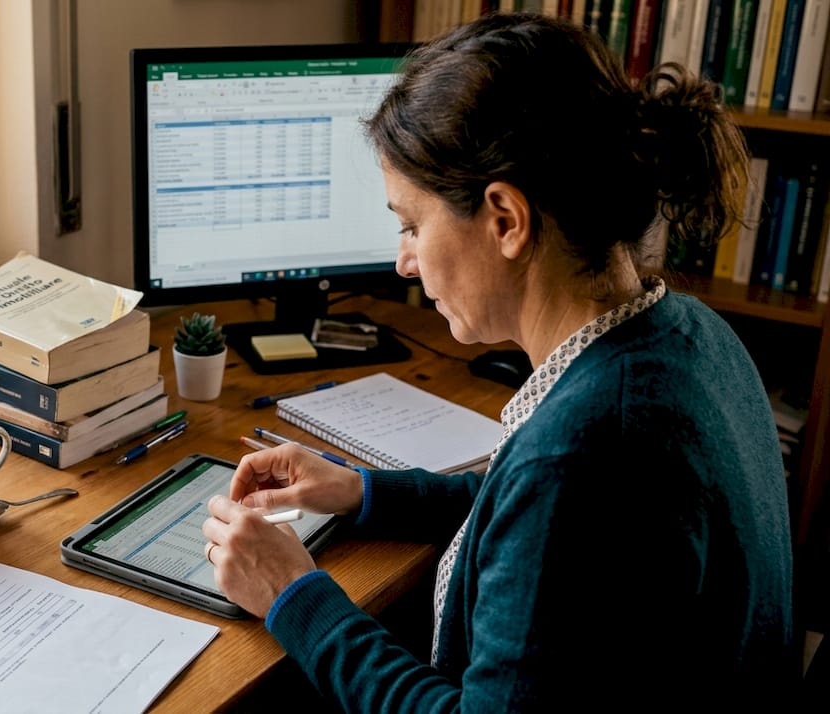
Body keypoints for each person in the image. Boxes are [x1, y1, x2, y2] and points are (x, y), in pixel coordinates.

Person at [202, 12, 797, 712]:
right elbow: (539, 528)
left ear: (506, 219)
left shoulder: (587, 449)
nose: (404, 259)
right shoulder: (687, 333)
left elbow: (553, 503)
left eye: (411, 224)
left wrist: (292, 596)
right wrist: (365, 492)